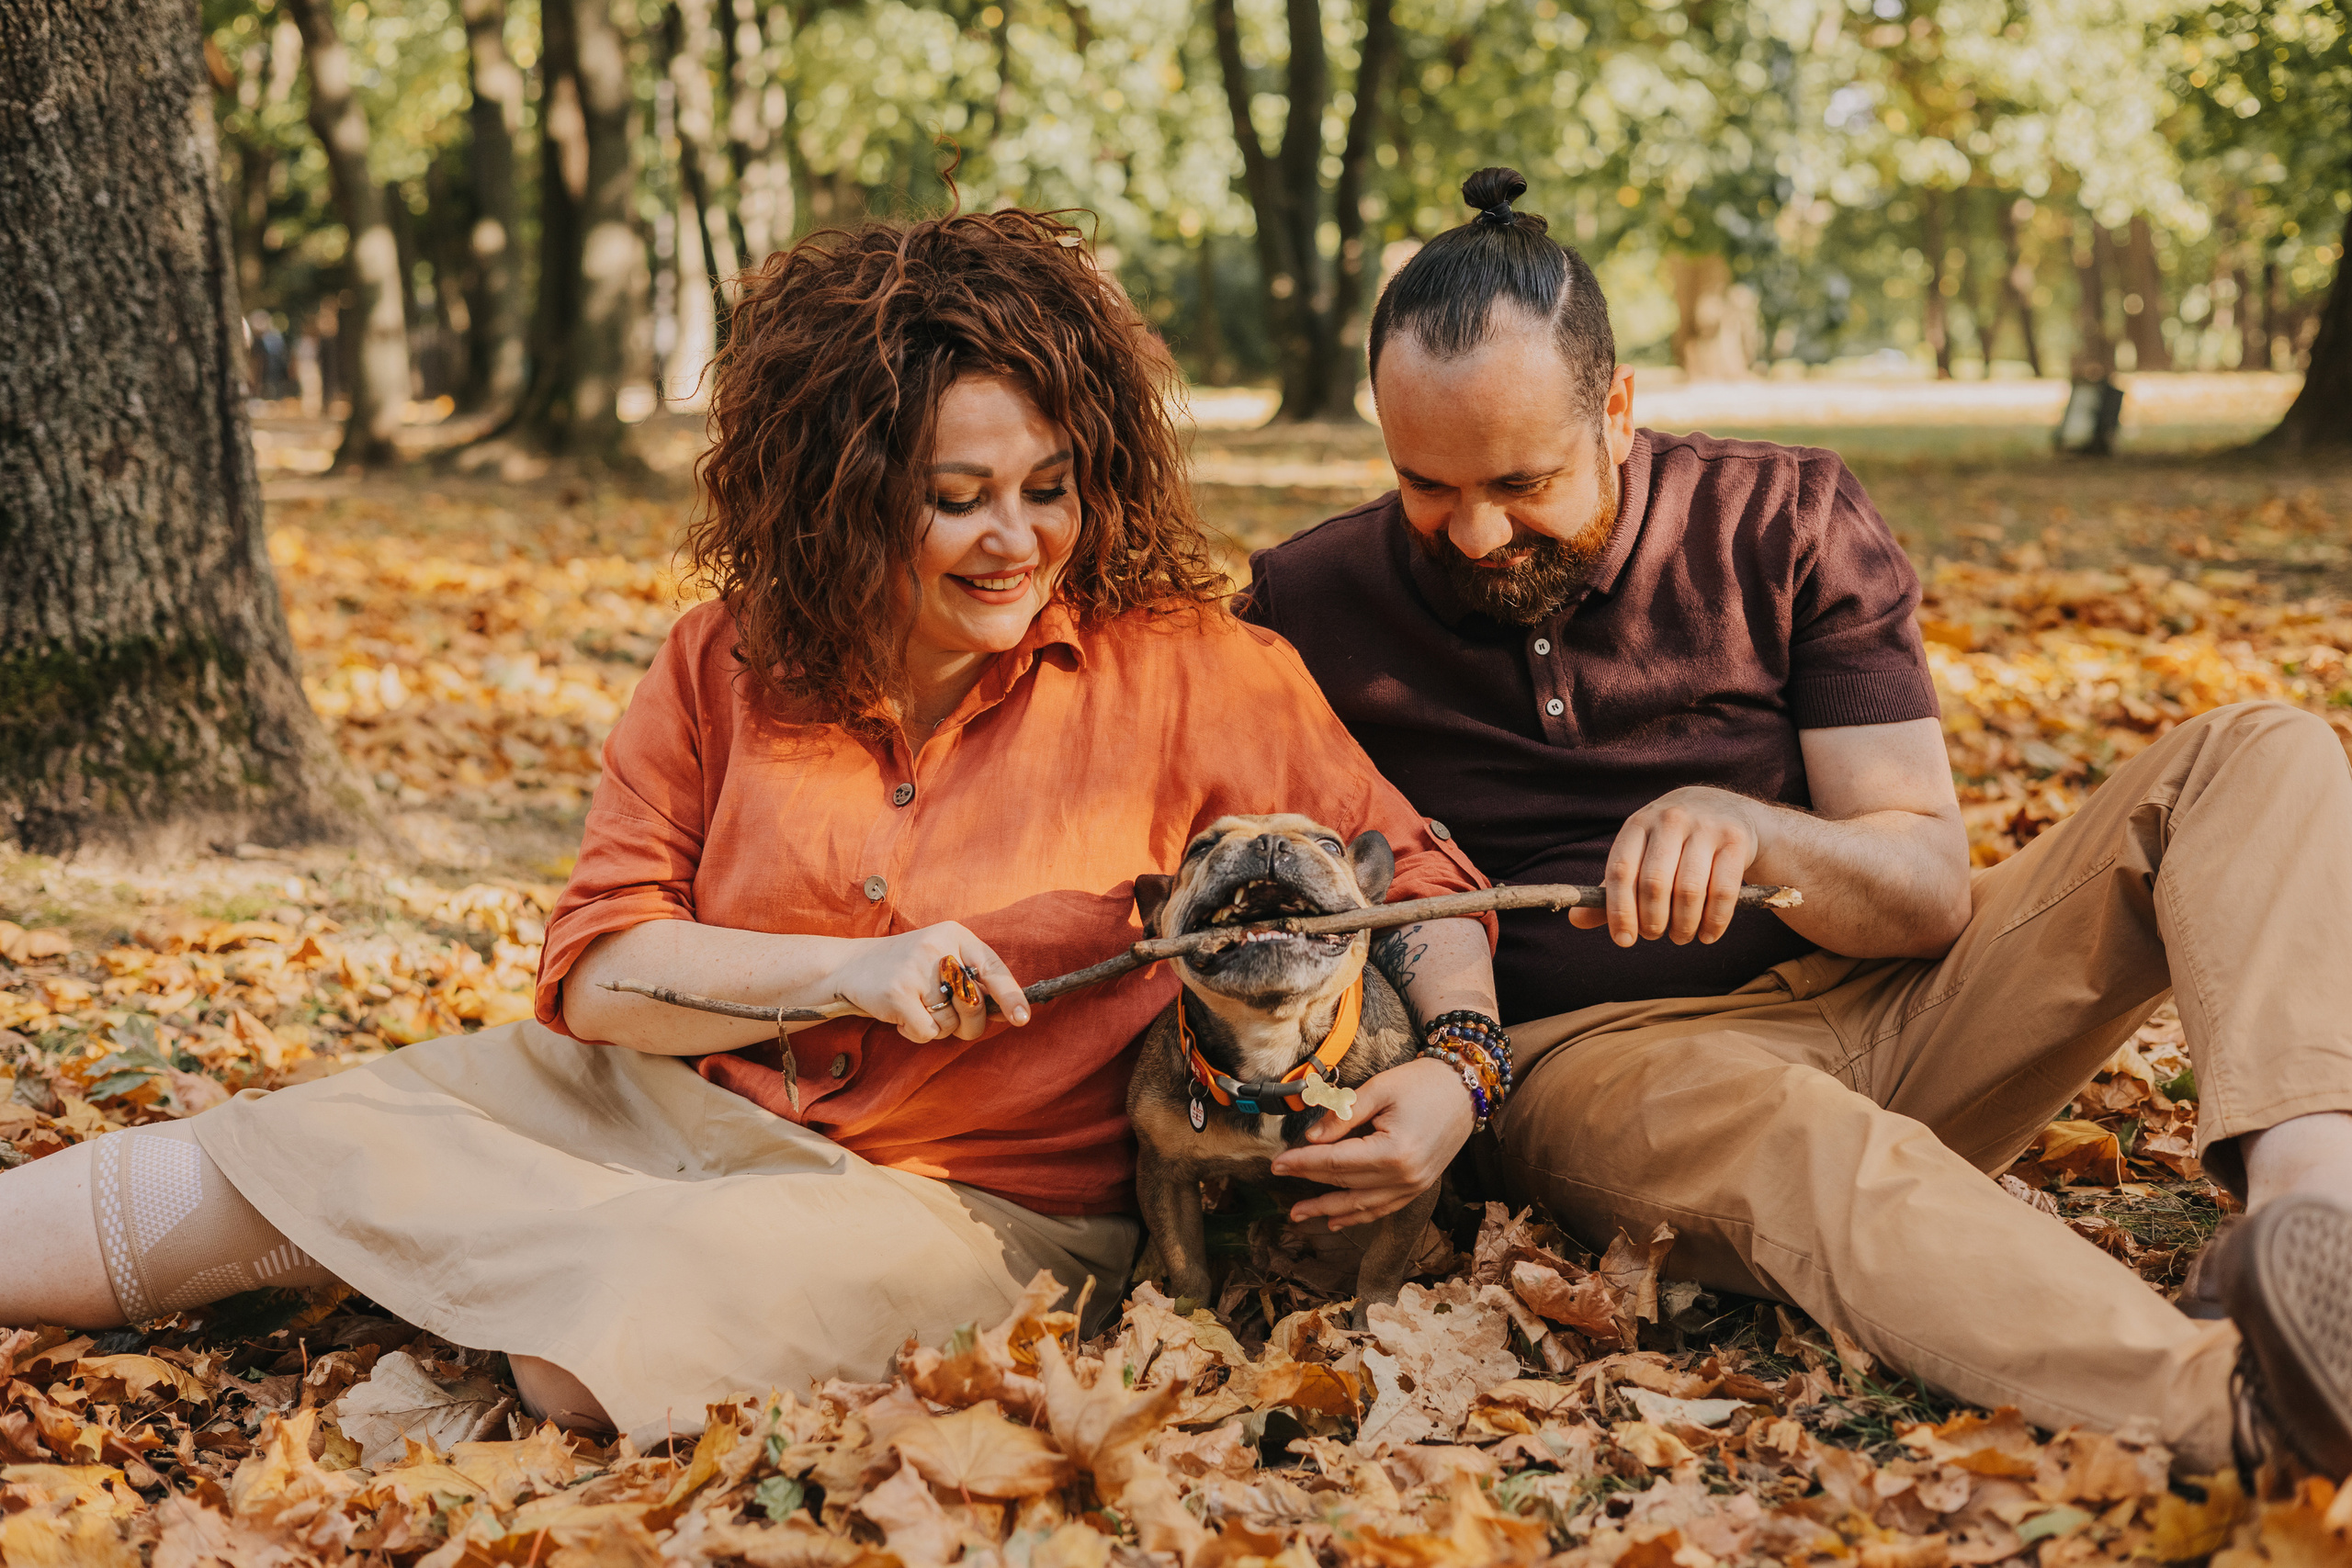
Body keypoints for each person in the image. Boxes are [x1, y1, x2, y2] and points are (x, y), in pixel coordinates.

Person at [0, 205, 1503, 1445]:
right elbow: (597, 972)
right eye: (955, 497)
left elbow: (1418, 877)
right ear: (842, 492)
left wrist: (1455, 1074)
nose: (1017, 540)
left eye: (1051, 488)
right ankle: (428, 1226)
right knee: (223, 1170)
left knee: (584, 1347)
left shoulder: (1192, 669)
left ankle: (456, 1257)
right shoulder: (722, 658)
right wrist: (839, 973)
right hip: (648, 1095)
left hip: (972, 1206)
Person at [1241, 166, 2352, 1478]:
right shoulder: (1305, 605)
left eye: (1522, 481)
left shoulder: (1785, 516)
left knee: (2257, 749)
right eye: (1426, 485)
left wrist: (1762, 836)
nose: (1475, 530)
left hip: (1902, 991)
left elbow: (1929, 887)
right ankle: (2231, 1405)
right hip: (1600, 1057)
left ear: (1618, 406)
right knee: (1817, 1150)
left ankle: (2312, 1215)